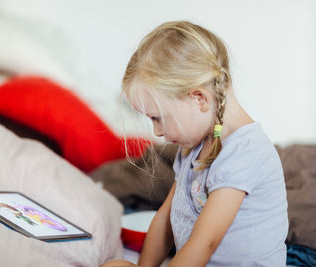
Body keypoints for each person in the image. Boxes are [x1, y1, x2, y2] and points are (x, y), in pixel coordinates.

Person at [101, 21, 288, 266]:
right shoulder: (193, 147)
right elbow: (165, 219)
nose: (156, 132)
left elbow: (205, 242)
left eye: (158, 118)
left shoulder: (245, 151)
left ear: (199, 98)